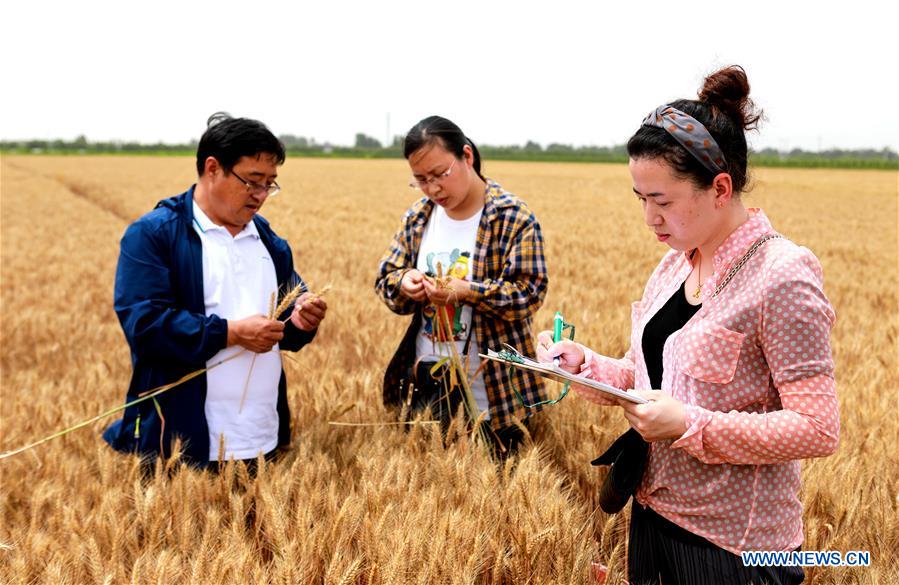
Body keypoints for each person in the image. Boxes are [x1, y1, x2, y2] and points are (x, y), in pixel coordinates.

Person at [538, 66, 838, 584]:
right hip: (653, 514)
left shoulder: (781, 275)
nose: (650, 219)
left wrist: (689, 426)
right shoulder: (676, 262)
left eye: (663, 201)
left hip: (734, 548)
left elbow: (817, 427)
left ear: (720, 188)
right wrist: (587, 365)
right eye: (641, 200)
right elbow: (652, 378)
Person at [103, 113, 328, 469]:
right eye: (252, 181)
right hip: (181, 445)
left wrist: (302, 320)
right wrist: (232, 333)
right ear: (212, 168)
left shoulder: (269, 242)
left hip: (260, 438)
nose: (261, 195)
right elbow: (145, 326)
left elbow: (286, 325)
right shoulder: (155, 235)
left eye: (270, 183)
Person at [375, 115, 548, 457]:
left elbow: (529, 294)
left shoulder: (512, 217)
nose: (433, 188)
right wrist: (405, 283)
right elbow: (387, 278)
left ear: (466, 157)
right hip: (428, 379)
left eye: (440, 174)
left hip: (494, 386)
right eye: (421, 180)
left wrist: (468, 291)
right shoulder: (418, 218)